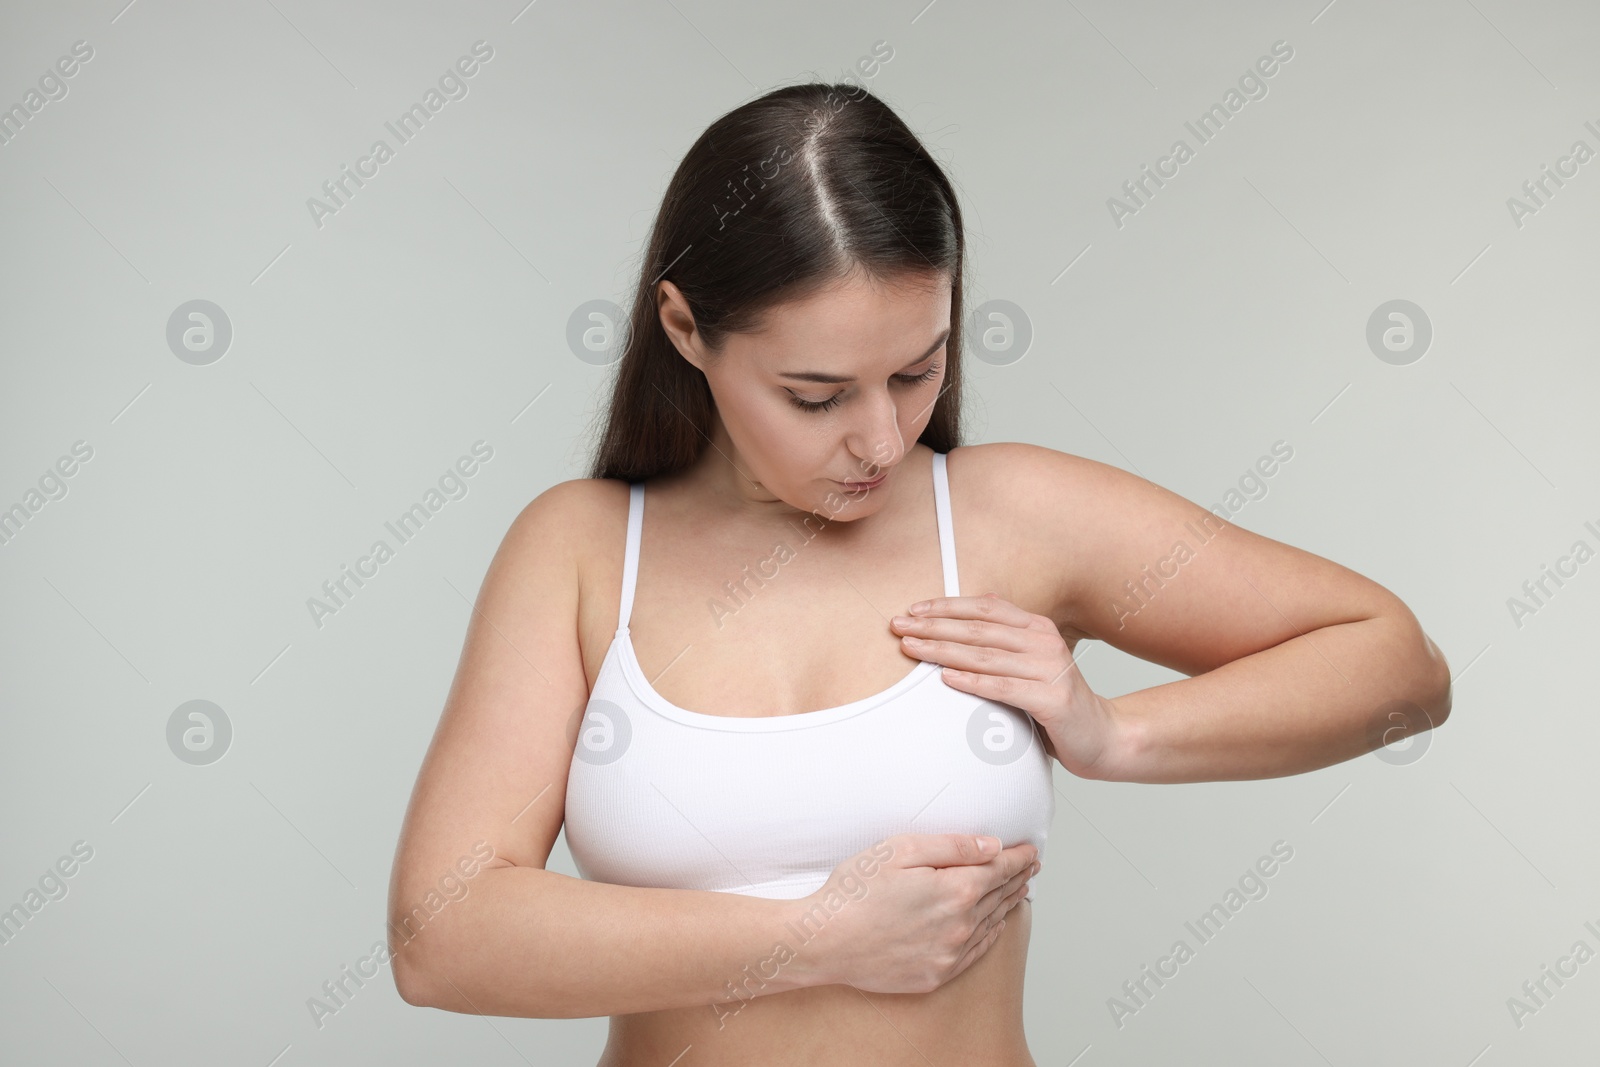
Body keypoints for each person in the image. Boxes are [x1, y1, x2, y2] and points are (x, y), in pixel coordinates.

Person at [386, 82, 1452, 1065]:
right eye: (816, 394)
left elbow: (1396, 664)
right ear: (683, 328)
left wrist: (1114, 731)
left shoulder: (1010, 516)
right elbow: (441, 933)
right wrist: (813, 939)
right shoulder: (579, 550)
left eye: (917, 369)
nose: (884, 440)